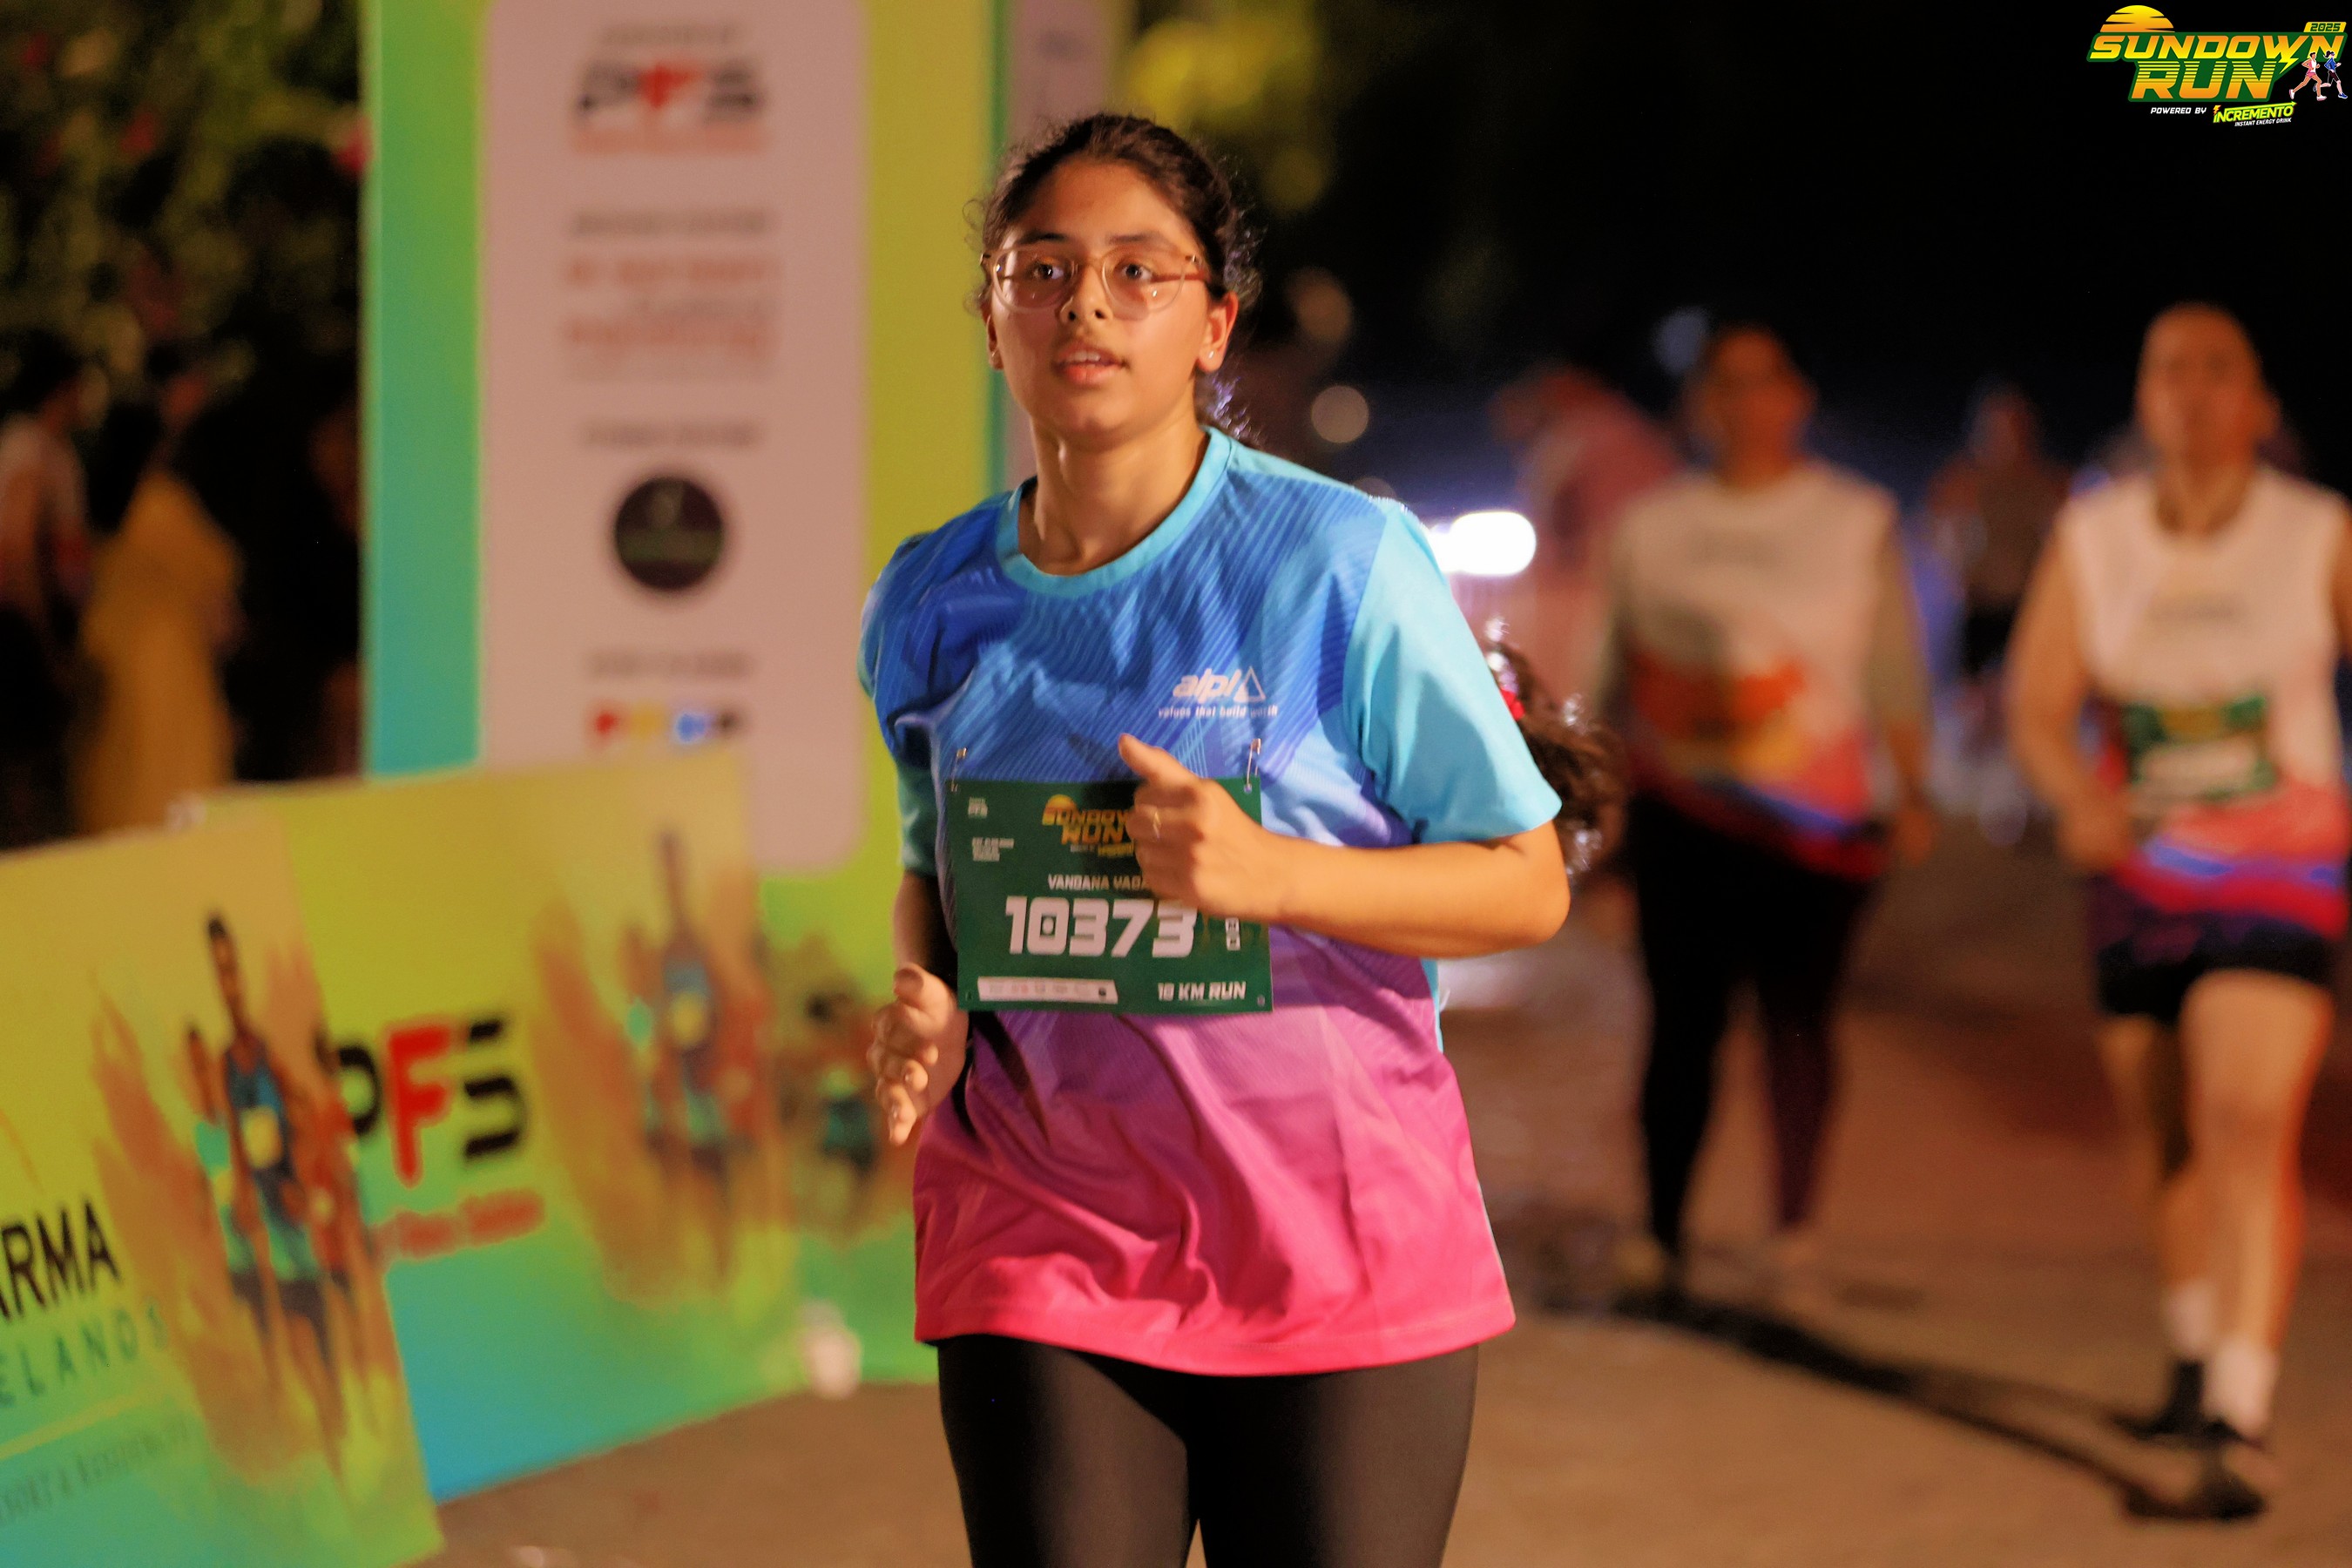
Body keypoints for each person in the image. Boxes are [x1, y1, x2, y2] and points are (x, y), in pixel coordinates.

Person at [861, 113, 1614, 1568]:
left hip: (1334, 1250)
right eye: (1043, 270)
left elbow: (1524, 884)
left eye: (1138, 272)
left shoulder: (1338, 560)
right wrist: (932, 1001)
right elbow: (929, 868)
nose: (1086, 305)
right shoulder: (927, 598)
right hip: (1041, 1228)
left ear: (1213, 324)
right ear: (993, 319)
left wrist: (1274, 877)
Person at [2006, 303, 2349, 1519]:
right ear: (2144, 399)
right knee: (2164, 1138)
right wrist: (2073, 799)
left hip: (2281, 868)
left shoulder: (2319, 532)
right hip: (2139, 874)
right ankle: (2196, 1356)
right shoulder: (2092, 537)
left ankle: (2240, 1415)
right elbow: (2037, 705)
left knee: (2246, 1114)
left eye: (2219, 371)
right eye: (2170, 371)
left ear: (2259, 402)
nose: (2194, 392)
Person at [1599, 322, 1935, 1301]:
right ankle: (1660, 1231)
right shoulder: (1649, 528)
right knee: (1681, 1025)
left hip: (1818, 826)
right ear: (1700, 404)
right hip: (1682, 812)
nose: (1746, 404)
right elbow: (1606, 675)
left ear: (1800, 397)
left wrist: (1912, 788)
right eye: (1726, 384)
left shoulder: (1856, 519)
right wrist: (1594, 811)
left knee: (1800, 1024)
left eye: (1766, 381)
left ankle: (1794, 1230)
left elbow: (1892, 669)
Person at [73, 366, 240, 834]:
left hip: (109, 662)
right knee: (174, 794)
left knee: (118, 795)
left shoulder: (101, 509)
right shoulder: (162, 503)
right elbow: (216, 595)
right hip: (169, 667)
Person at [1923, 384, 2069, 840]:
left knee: (2024, 704)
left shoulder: (2048, 481)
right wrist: (1956, 573)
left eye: (2015, 425)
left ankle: (2014, 799)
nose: (2006, 435)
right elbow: (1937, 532)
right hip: (1979, 608)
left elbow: (2067, 540)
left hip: (2028, 610)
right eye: (1997, 426)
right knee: (1974, 705)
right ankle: (1961, 789)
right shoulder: (1964, 479)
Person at [0, 331, 91, 846]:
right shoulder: (29, 446)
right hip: (20, 629)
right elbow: (17, 548)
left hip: (35, 625)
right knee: (27, 770)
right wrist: (44, 641)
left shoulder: (50, 449)